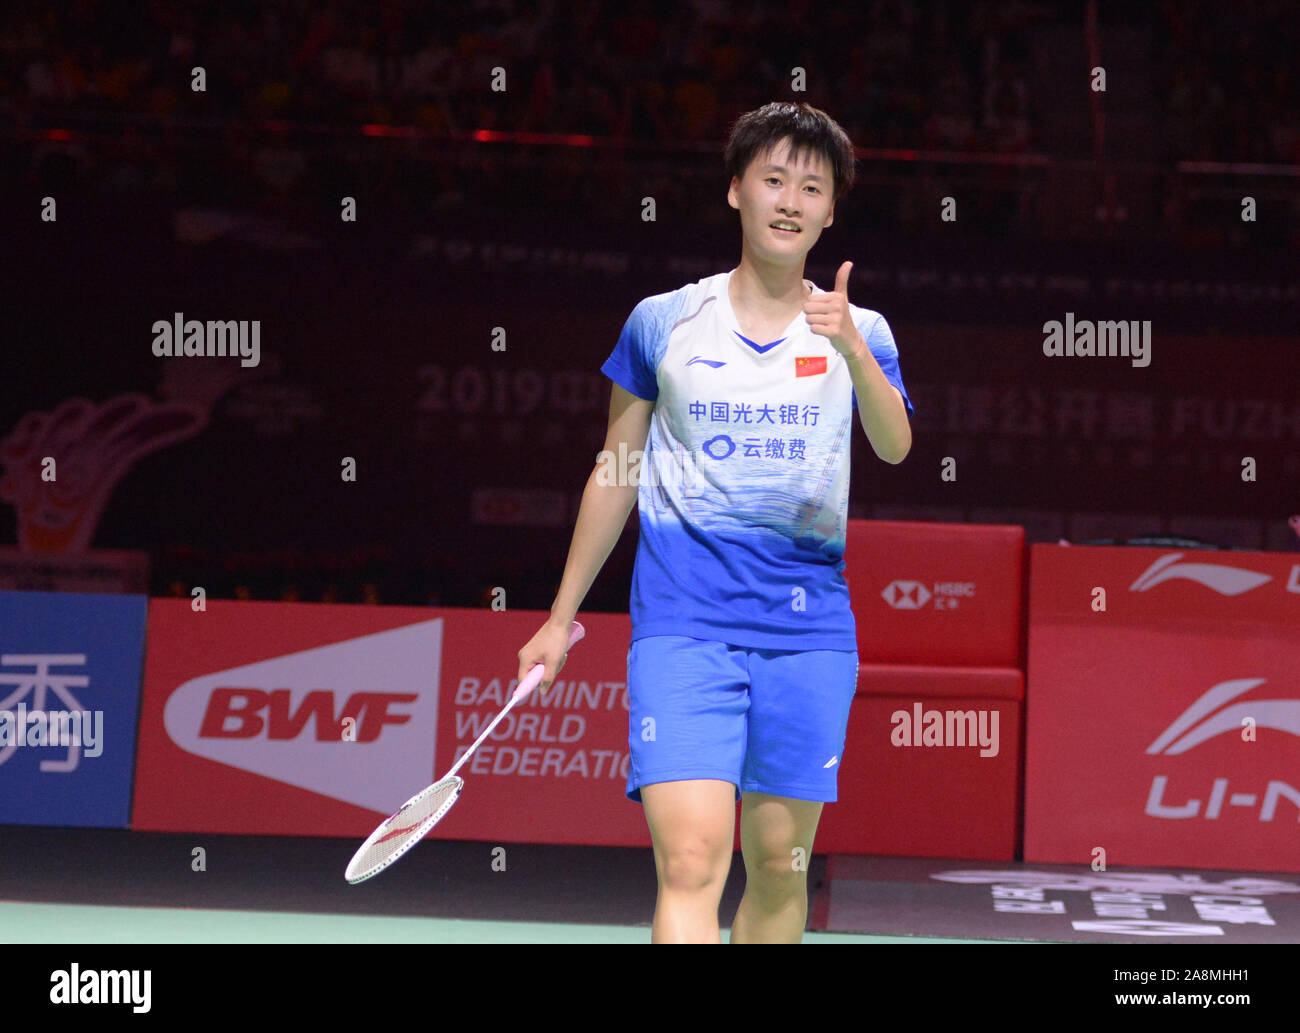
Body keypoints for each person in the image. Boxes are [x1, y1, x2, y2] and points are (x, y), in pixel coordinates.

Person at [518, 101, 914, 942]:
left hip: (807, 633)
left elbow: (894, 445)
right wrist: (558, 620)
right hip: (684, 625)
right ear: (735, 190)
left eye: (811, 187)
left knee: (779, 866)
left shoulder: (861, 330)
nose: (790, 200)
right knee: (694, 862)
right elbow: (617, 469)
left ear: (831, 210)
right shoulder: (662, 320)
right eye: (773, 179)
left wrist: (848, 350)